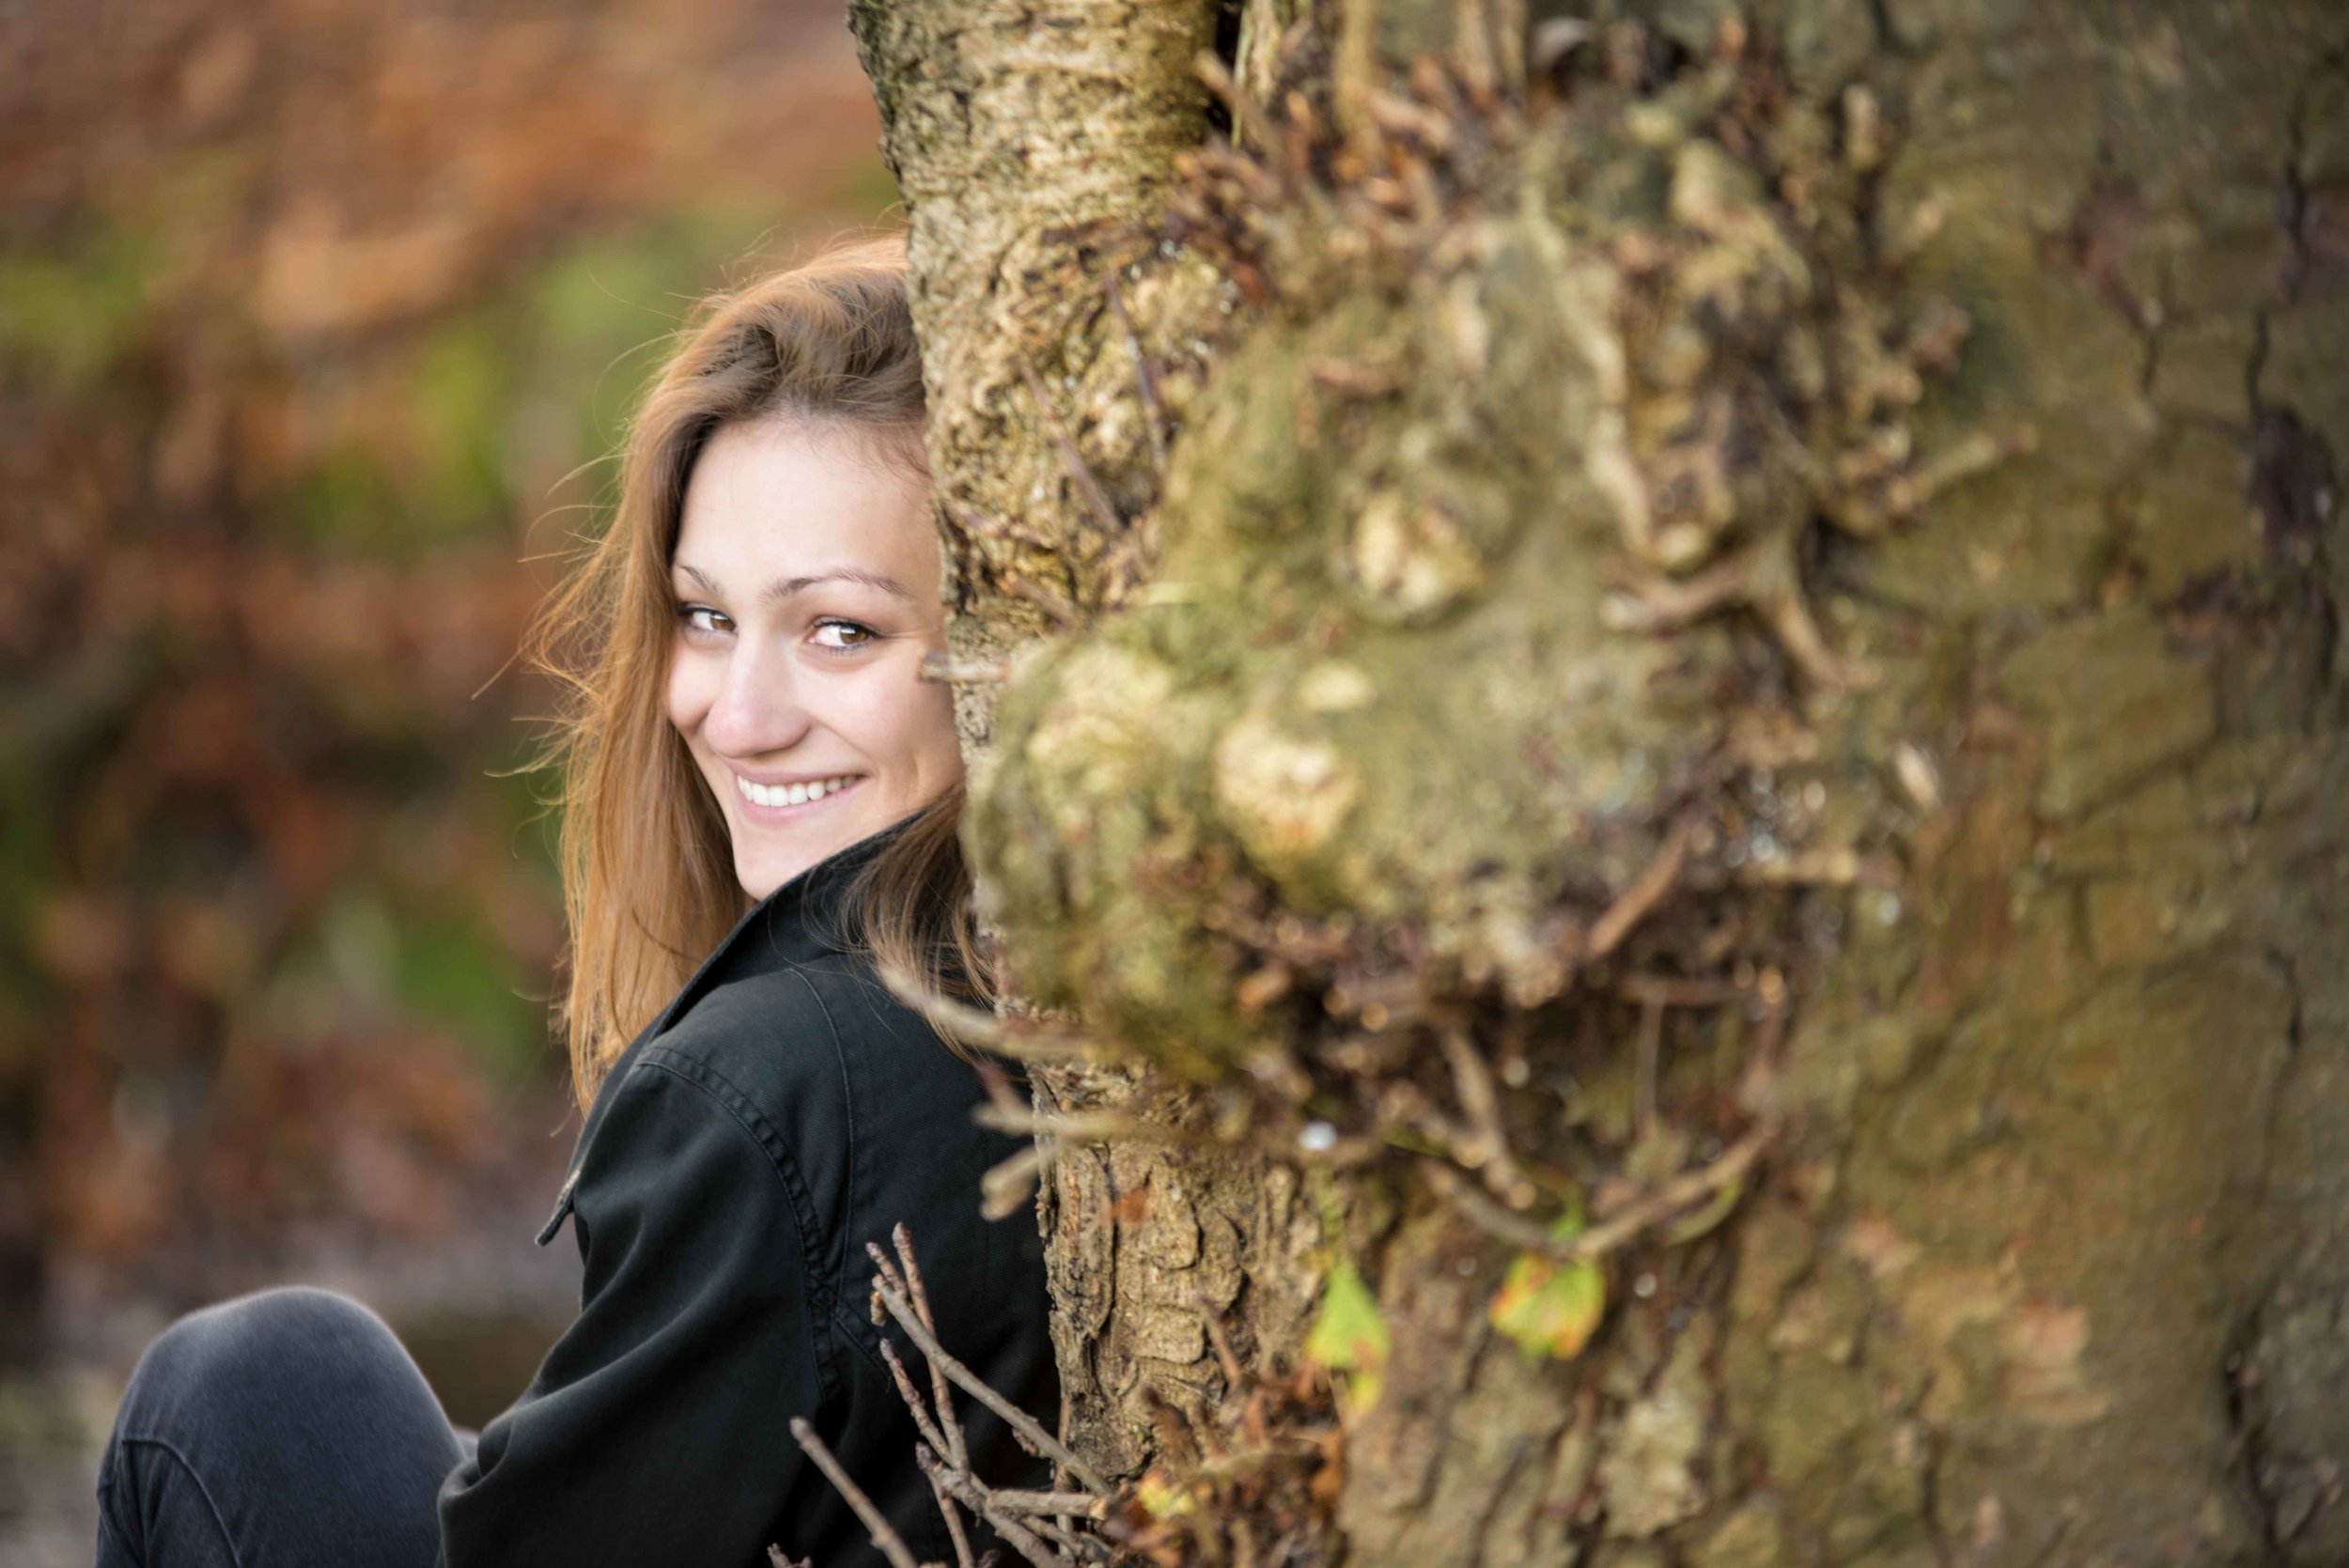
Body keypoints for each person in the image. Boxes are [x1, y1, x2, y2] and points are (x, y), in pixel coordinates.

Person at [93, 238, 1060, 1568]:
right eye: (705, 617)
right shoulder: (1115, 992)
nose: (739, 714)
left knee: (225, 1398)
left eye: (843, 630)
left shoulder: (766, 1086)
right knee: (292, 1374)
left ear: (1006, 645)